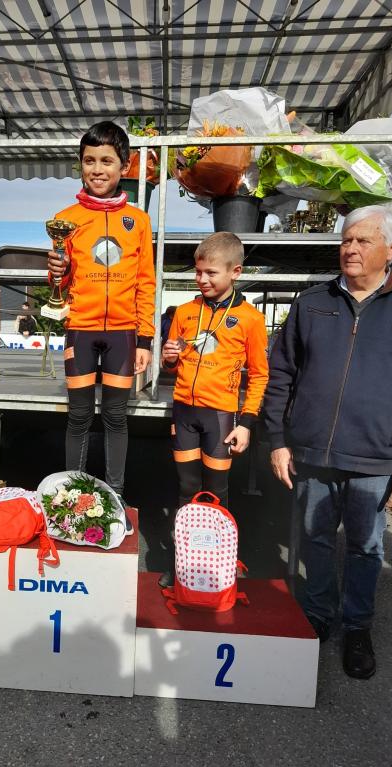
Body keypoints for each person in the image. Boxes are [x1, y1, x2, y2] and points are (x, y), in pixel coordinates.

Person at [263, 206, 392, 680]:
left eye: (363, 240)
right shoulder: (312, 303)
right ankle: (318, 614)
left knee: (365, 547)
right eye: (346, 240)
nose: (350, 248)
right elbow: (281, 373)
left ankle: (357, 627)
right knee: (315, 539)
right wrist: (278, 440)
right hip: (312, 451)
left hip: (373, 455)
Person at [47, 120, 156, 515]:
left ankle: (115, 497)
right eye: (89, 160)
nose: (97, 169)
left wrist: (145, 339)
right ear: (80, 164)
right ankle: (70, 497)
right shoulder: (66, 218)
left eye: (106, 161)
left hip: (123, 335)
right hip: (80, 329)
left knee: (115, 416)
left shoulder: (138, 221)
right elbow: (58, 286)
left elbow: (146, 281)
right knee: (78, 416)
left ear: (124, 167)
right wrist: (55, 273)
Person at [159, 232, 268, 586]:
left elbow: (260, 375)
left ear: (235, 272)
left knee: (217, 492)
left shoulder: (250, 319)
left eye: (211, 273)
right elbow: (170, 365)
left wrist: (247, 422)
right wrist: (169, 358)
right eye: (198, 272)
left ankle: (217, 565)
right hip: (184, 413)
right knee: (186, 488)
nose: (202, 279)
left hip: (220, 417)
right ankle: (183, 563)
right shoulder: (185, 312)